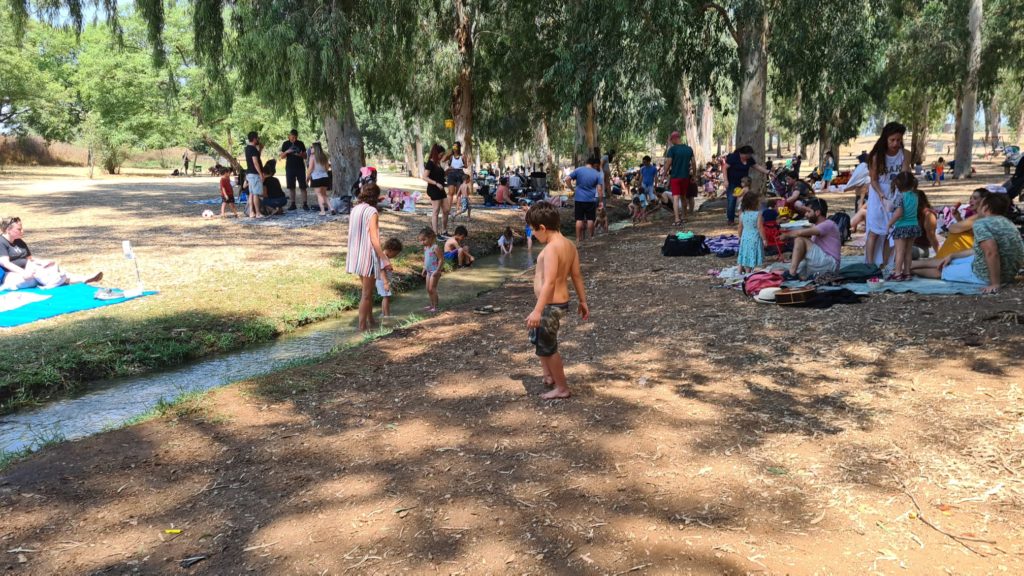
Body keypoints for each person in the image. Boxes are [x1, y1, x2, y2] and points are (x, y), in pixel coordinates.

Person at [524, 201, 589, 400]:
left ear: (543, 228)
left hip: (550, 305)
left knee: (549, 346)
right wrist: (583, 301)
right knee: (540, 339)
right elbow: (576, 276)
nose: (533, 235)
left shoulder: (552, 248)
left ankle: (562, 388)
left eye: (533, 231)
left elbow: (550, 282)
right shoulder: (569, 244)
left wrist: (537, 310)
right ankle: (549, 376)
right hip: (558, 303)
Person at [912, 194, 1024, 294]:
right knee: (950, 260)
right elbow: (981, 250)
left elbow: (991, 252)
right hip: (1008, 272)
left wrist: (995, 283)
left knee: (941, 271)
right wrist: (952, 255)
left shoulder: (981, 224)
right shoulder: (1009, 224)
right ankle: (910, 265)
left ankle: (908, 270)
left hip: (986, 275)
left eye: (980, 204)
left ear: (985, 208)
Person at [0, 217, 102, 290]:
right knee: (38, 272)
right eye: (19, 229)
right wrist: (24, 273)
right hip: (13, 275)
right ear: (8, 230)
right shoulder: (1, 242)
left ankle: (84, 278)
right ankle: (53, 282)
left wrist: (43, 262)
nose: (22, 231)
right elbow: (5, 263)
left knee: (52, 267)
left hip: (31, 271)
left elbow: (30, 258)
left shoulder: (19, 241)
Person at [346, 184, 391, 331]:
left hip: (355, 254)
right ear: (376, 197)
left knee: (368, 291)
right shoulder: (372, 211)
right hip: (367, 256)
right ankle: (362, 327)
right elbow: (374, 238)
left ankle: (371, 320)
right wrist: (384, 258)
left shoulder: (355, 209)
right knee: (366, 293)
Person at [865, 122, 910, 266]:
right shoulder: (877, 156)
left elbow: (904, 175)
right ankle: (870, 264)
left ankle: (884, 264)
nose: (896, 143)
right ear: (885, 139)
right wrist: (882, 196)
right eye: (892, 140)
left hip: (896, 193)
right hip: (878, 194)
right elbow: (873, 180)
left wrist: (902, 193)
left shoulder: (905, 154)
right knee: (874, 231)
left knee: (889, 232)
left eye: (899, 140)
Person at [781, 198, 841, 280]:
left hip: (830, 263)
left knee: (800, 239)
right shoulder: (816, 226)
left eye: (809, 212)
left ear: (817, 212)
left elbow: (800, 233)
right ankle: (795, 272)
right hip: (823, 262)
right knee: (801, 242)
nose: (806, 214)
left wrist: (786, 235)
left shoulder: (828, 224)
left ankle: (792, 273)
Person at [886, 172, 922, 281]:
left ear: (898, 184)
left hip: (902, 227)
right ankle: (907, 272)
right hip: (914, 226)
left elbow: (899, 213)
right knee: (908, 251)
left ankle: (897, 273)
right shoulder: (915, 196)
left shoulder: (900, 196)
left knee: (900, 251)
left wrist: (889, 223)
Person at [724, 145, 771, 225]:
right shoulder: (733, 157)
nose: (748, 157)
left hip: (744, 183)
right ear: (742, 153)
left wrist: (767, 172)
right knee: (732, 200)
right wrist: (726, 180)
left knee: (745, 200)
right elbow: (724, 167)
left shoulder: (749, 160)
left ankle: (745, 218)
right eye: (747, 155)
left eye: (750, 155)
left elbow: (756, 166)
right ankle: (730, 219)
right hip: (732, 182)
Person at [937, 188, 988, 258]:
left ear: (983, 201)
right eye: (971, 198)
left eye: (975, 198)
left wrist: (960, 224)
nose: (971, 201)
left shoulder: (981, 216)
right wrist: (958, 218)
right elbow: (971, 232)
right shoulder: (976, 214)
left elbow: (953, 228)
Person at [564, 156, 604, 242]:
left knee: (579, 219)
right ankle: (591, 238)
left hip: (579, 199)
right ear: (594, 164)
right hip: (590, 199)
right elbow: (600, 189)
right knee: (590, 219)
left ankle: (578, 239)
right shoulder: (597, 173)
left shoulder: (578, 170)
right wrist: (601, 201)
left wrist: (572, 189)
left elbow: (567, 179)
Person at [663, 131, 697, 225]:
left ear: (674, 138)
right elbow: (694, 163)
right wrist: (694, 175)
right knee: (683, 197)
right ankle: (684, 217)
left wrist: (664, 175)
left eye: (671, 140)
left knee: (676, 198)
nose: (671, 142)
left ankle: (677, 219)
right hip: (685, 177)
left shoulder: (672, 150)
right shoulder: (689, 149)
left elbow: (668, 163)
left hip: (675, 177)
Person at [422, 144, 450, 238]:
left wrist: (447, 171)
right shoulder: (430, 163)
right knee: (436, 211)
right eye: (441, 154)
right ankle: (435, 233)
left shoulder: (438, 163)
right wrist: (436, 183)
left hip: (441, 189)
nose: (442, 156)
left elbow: (440, 176)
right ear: (436, 153)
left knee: (446, 210)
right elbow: (424, 177)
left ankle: (444, 231)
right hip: (434, 189)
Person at [278, 129, 308, 211]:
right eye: (292, 137)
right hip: (290, 168)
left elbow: (305, 156)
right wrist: (287, 151)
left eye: (295, 137)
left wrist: (300, 154)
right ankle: (293, 204)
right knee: (291, 187)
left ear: (297, 137)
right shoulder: (285, 144)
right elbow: (282, 157)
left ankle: (305, 204)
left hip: (300, 168)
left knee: (303, 186)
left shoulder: (300, 143)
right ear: (289, 136)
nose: (293, 139)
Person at [737, 191, 765, 273]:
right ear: (755, 203)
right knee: (753, 254)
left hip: (745, 237)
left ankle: (744, 271)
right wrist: (764, 239)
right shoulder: (758, 214)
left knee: (745, 254)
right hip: (755, 237)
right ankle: (751, 271)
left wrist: (739, 236)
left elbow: (740, 226)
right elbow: (760, 227)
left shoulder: (742, 214)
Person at [377, 238, 403, 319]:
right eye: (395, 254)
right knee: (386, 298)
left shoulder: (384, 257)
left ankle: (383, 313)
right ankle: (387, 316)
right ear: (390, 250)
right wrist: (385, 283)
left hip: (382, 281)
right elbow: (381, 271)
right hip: (382, 281)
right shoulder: (383, 258)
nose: (395, 256)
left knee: (385, 297)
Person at [419, 227, 443, 313]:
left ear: (431, 237)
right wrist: (424, 268)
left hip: (435, 271)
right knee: (428, 289)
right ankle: (431, 305)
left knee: (432, 288)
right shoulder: (426, 248)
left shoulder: (435, 247)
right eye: (421, 240)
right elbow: (426, 259)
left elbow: (441, 259)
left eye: (424, 240)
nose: (422, 242)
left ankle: (436, 306)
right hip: (428, 271)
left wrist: (437, 270)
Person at [244, 131, 265, 219]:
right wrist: (261, 174)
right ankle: (258, 213)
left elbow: (256, 156)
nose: (258, 140)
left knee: (251, 193)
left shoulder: (248, 148)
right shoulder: (252, 149)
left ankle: (251, 212)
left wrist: (260, 149)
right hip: (254, 174)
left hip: (249, 173)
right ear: (254, 139)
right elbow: (255, 162)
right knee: (256, 193)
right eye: (257, 138)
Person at [306, 141, 331, 216]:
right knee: (324, 194)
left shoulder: (312, 157)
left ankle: (322, 211)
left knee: (319, 194)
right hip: (325, 177)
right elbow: (327, 167)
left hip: (316, 177)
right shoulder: (324, 156)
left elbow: (310, 168)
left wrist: (307, 177)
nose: (311, 149)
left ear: (315, 148)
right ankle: (331, 208)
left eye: (312, 147)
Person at [444, 142, 467, 216]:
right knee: (450, 193)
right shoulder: (450, 156)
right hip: (451, 174)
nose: (454, 148)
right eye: (453, 146)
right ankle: (448, 210)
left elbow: (466, 165)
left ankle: (457, 210)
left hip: (460, 174)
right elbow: (444, 160)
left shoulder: (463, 156)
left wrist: (463, 165)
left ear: (459, 147)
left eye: (456, 147)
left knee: (458, 193)